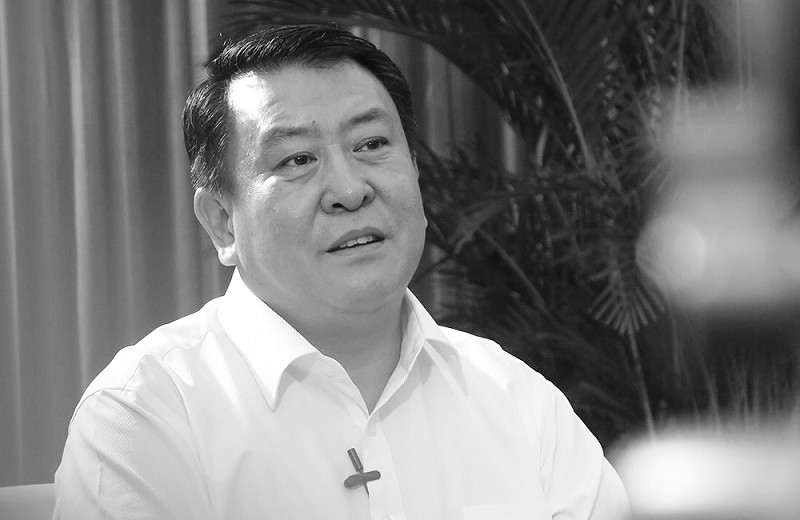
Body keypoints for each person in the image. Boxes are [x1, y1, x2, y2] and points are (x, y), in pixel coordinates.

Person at [53, 25, 629, 520]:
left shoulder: (517, 399)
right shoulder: (146, 414)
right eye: (297, 159)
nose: (351, 190)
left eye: (372, 143)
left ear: (416, 174)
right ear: (223, 222)